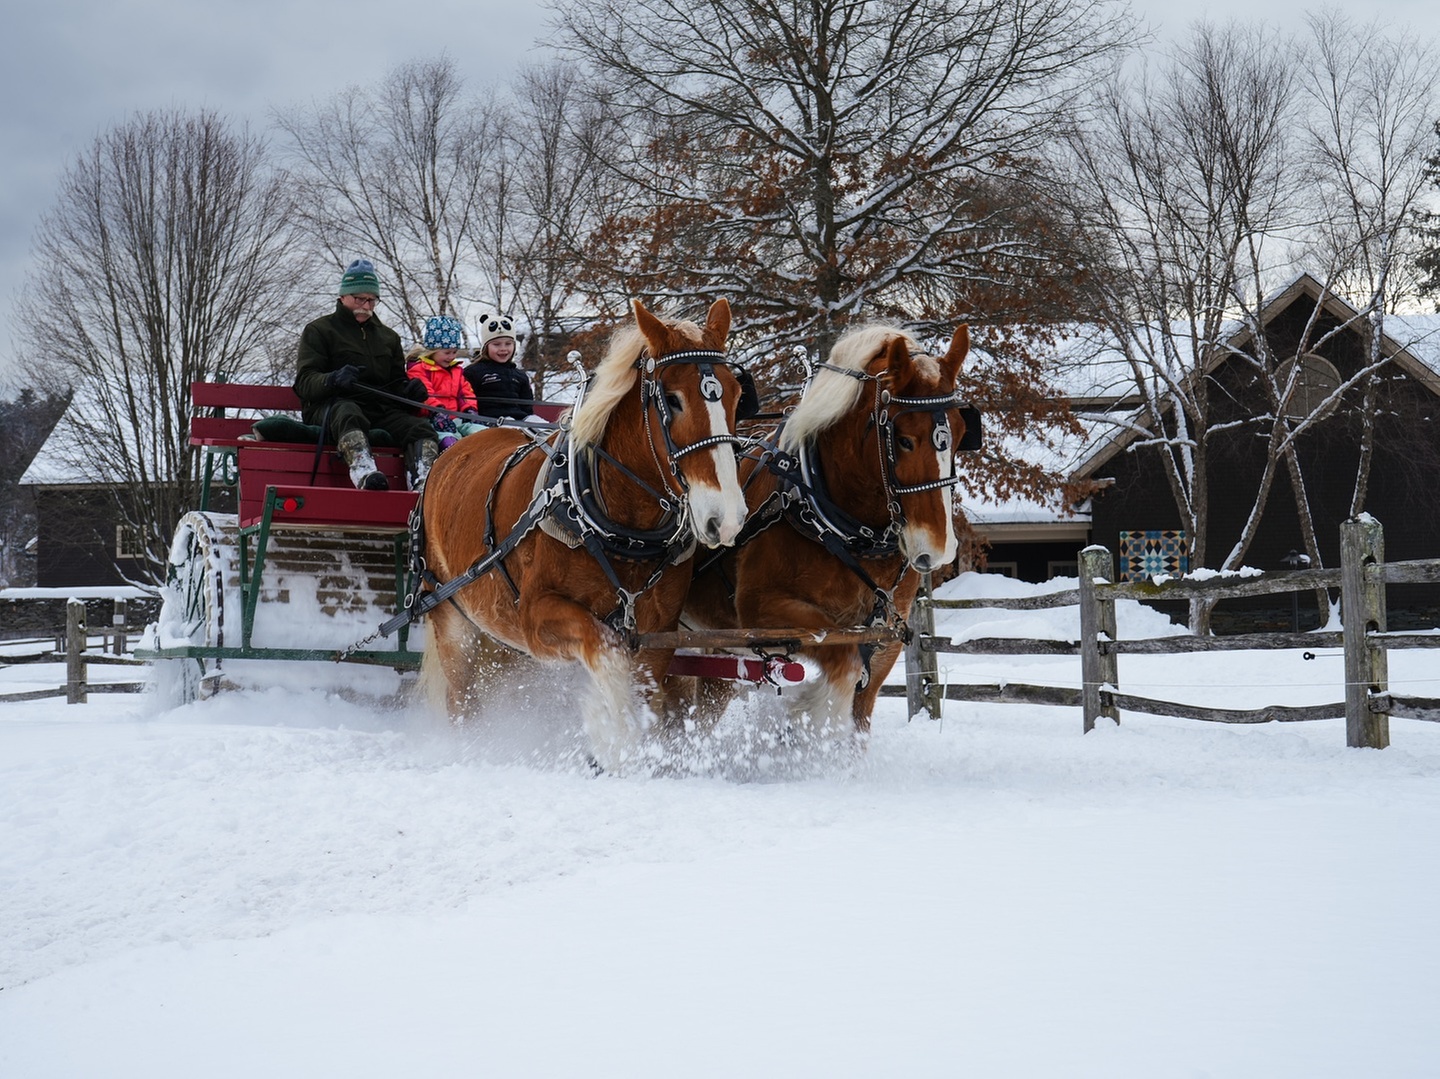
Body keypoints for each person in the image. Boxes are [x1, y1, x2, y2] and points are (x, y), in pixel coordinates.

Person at [293, 259, 440, 491]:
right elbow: (304, 382)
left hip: (379, 409)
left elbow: (395, 383)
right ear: (343, 297)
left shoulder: (388, 337)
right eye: (359, 298)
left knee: (420, 428)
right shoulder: (320, 330)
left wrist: (410, 389)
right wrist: (332, 379)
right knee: (348, 411)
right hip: (331, 407)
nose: (365, 305)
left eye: (371, 299)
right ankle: (364, 472)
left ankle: (423, 482)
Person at [408, 315, 486, 450]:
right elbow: (426, 394)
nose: (451, 357)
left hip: (457, 418)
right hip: (433, 420)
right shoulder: (419, 369)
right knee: (449, 439)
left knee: (481, 433)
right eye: (447, 352)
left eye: (455, 352)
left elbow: (466, 393)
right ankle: (453, 456)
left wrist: (469, 410)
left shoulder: (457, 371)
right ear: (432, 351)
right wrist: (437, 412)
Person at [463, 313, 535, 422]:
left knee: (547, 431)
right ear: (485, 347)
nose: (503, 349)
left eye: (508, 344)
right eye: (496, 344)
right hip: (491, 421)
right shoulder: (473, 372)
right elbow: (466, 400)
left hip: (520, 420)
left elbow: (527, 406)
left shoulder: (520, 375)